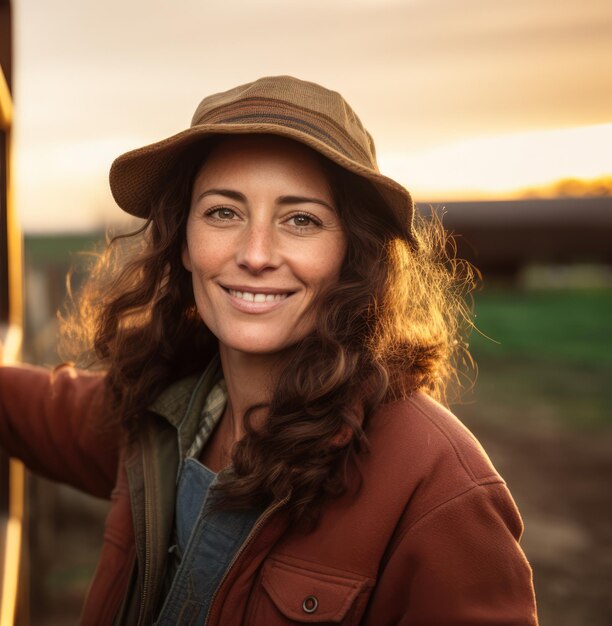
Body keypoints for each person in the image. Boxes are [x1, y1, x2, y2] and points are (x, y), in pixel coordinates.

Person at [0, 75, 538, 625]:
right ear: (182, 241)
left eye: (300, 220)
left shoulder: (439, 488)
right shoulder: (161, 415)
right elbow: (33, 408)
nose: (256, 254)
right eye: (223, 213)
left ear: (354, 254)